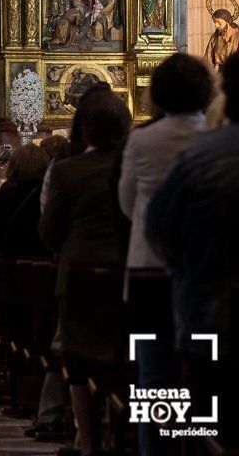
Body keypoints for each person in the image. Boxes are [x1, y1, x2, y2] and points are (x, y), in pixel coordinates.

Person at [118, 54, 212, 455]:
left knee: (153, 374)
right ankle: (197, 446)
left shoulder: (141, 139)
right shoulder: (214, 136)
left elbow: (125, 201)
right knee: (203, 370)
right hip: (203, 272)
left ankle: (153, 449)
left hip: (147, 272)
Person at [146, 52, 239, 446]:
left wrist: (188, 266)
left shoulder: (200, 154)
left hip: (211, 309)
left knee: (209, 420)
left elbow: (159, 230)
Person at [38, 91, 132, 455]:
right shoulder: (132, 165)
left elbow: (48, 229)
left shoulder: (66, 169)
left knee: (78, 358)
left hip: (77, 271)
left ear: (86, 131)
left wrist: (66, 247)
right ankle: (124, 433)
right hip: (126, 271)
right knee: (125, 352)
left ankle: (89, 439)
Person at [0, 144, 50, 259]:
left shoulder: (1, 197)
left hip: (10, 264)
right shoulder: (48, 195)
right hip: (43, 262)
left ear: (14, 166)